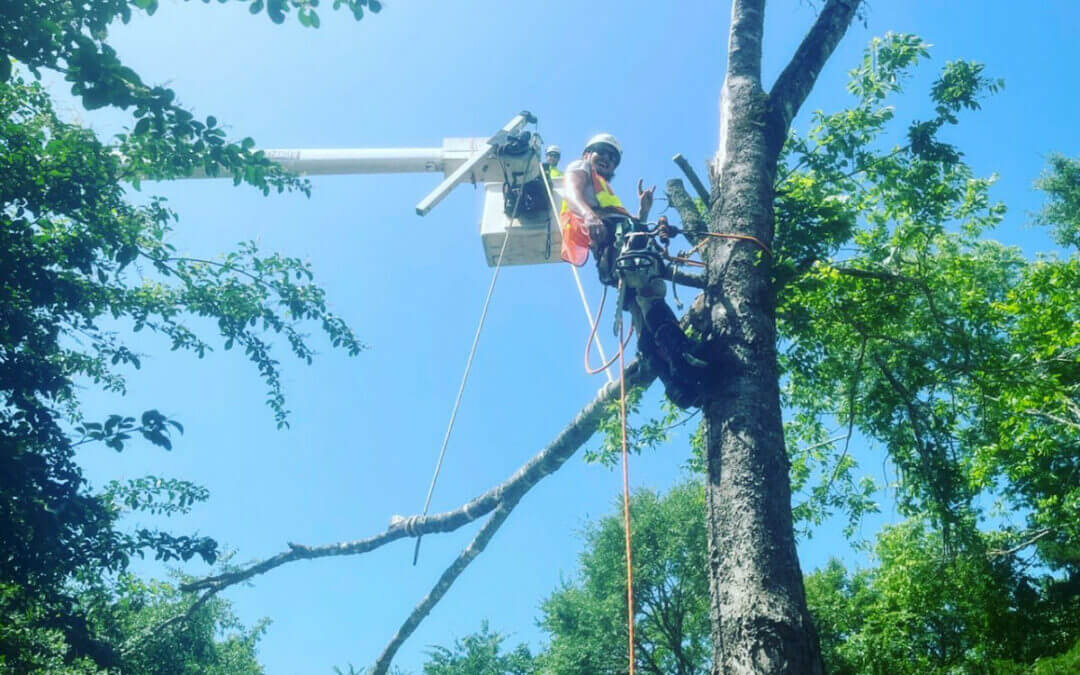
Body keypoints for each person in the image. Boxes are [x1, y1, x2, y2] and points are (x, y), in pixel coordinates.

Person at [559, 134, 706, 409]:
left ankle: (675, 381)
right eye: (601, 152)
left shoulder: (603, 189)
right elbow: (571, 192)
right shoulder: (580, 169)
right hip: (618, 253)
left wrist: (642, 211)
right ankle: (681, 356)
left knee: (642, 312)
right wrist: (589, 216)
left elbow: (628, 228)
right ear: (587, 153)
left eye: (613, 158)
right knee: (650, 293)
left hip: (621, 255)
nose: (607, 159)